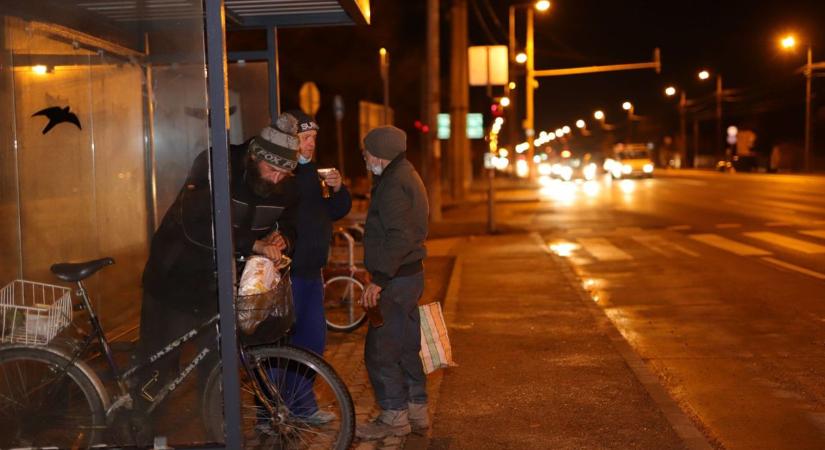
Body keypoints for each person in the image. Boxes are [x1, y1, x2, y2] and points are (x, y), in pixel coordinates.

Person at [137, 118, 300, 408]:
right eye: (271, 169)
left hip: (219, 283)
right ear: (255, 156)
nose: (276, 179)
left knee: (216, 364)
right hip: (175, 276)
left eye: (283, 173)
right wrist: (253, 244)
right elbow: (196, 224)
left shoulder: (284, 184)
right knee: (159, 362)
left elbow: (290, 220)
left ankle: (216, 425)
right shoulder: (217, 164)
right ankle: (138, 420)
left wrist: (283, 237)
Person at [356, 125, 430, 440]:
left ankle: (394, 416)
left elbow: (399, 236)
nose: (364, 158)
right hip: (408, 276)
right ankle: (417, 410)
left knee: (381, 350)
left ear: (379, 155)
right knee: (406, 347)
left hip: (396, 280)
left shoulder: (393, 184)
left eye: (366, 152)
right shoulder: (405, 174)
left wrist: (379, 280)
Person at [278, 109, 351, 424]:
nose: (311, 144)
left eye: (313, 138)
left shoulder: (312, 173)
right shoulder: (281, 173)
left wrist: (338, 189)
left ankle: (302, 405)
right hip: (287, 273)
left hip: (312, 270)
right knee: (283, 344)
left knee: (312, 341)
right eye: (305, 138)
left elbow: (334, 211)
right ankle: (273, 411)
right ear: (290, 140)